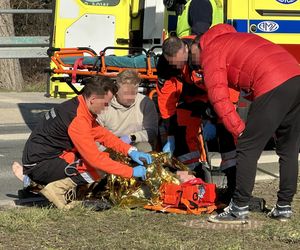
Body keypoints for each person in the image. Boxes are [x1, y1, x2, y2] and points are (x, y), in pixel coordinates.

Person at [165, 23, 300, 223]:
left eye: (192, 57)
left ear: (195, 46)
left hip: (272, 81)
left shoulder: (211, 52)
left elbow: (220, 99)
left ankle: (238, 208)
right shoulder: (229, 39)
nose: (194, 64)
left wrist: (239, 131)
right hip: (295, 76)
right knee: (288, 149)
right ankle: (284, 207)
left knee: (247, 147)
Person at [12, 76, 152, 209]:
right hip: (42, 164)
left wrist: (130, 151)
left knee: (96, 159)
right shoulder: (78, 120)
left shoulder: (79, 105)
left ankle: (36, 183)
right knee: (99, 166)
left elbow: (103, 135)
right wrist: (131, 172)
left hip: (41, 160)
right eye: (105, 103)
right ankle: (56, 190)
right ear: (93, 99)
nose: (106, 107)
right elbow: (95, 160)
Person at [158, 35, 238, 202]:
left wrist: (218, 114)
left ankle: (234, 189)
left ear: (186, 50)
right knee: (181, 132)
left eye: (180, 62)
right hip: (192, 97)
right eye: (174, 64)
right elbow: (166, 98)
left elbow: (223, 84)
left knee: (227, 138)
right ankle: (196, 185)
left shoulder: (201, 52)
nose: (178, 67)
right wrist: (170, 131)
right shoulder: (166, 65)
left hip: (220, 94)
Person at [97, 70, 158, 152]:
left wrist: (131, 137)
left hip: (135, 144)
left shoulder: (145, 103)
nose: (130, 97)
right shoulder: (105, 104)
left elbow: (151, 132)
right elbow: (95, 133)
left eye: (134, 93)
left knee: (145, 147)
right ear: (116, 90)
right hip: (109, 145)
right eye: (126, 93)